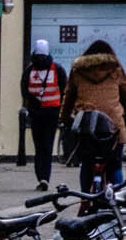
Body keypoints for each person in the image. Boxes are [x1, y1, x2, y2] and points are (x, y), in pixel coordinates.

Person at [61, 38, 126, 193]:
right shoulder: (116, 69)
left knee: (87, 165)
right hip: (113, 128)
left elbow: (69, 96)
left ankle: (85, 197)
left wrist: (65, 119)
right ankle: (119, 201)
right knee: (114, 165)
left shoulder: (77, 71)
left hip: (86, 126)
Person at [21, 39, 67, 191]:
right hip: (37, 115)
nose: (41, 59)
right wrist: (29, 107)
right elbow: (25, 91)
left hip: (51, 115)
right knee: (39, 147)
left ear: (47, 55)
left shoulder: (57, 70)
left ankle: (44, 178)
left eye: (43, 56)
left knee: (46, 146)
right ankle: (41, 177)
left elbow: (63, 89)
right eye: (38, 56)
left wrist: (61, 111)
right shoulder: (29, 71)